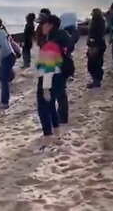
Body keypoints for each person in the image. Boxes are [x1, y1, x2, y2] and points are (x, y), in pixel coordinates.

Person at [35, 15, 70, 148]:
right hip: (59, 77)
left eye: (43, 24)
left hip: (49, 78)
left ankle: (47, 138)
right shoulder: (59, 40)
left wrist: (45, 88)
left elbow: (48, 68)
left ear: (50, 25)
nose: (40, 27)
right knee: (51, 106)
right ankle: (56, 132)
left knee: (43, 108)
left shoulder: (50, 44)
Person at [0, 16, 16, 109]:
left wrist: (2, 59)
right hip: (8, 57)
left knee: (4, 81)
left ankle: (4, 102)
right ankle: (4, 100)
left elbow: (5, 48)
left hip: (7, 57)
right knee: (4, 77)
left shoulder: (0, 33)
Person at [86, 8, 107, 88]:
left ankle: (96, 81)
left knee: (93, 64)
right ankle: (97, 80)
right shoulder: (102, 22)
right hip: (99, 45)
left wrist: (92, 45)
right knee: (97, 63)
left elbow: (94, 36)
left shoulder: (96, 23)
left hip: (95, 45)